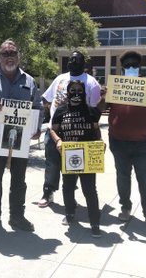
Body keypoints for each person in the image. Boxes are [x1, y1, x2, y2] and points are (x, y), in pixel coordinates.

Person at [0, 39, 44, 233]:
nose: (9, 57)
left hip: (20, 139)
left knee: (19, 181)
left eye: (13, 53)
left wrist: (36, 126)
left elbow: (37, 106)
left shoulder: (29, 80)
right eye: (5, 54)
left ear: (19, 56)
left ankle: (17, 217)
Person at [107, 50, 146, 232]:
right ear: (122, 67)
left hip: (143, 143)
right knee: (122, 177)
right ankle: (125, 207)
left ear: (139, 66)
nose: (131, 68)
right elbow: (100, 107)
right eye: (127, 65)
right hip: (118, 141)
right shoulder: (115, 85)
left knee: (145, 180)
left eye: (134, 65)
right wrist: (104, 95)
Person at [38, 50, 106, 207]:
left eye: (76, 60)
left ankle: (70, 199)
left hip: (78, 132)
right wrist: (52, 111)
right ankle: (48, 192)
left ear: (83, 63)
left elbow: (96, 110)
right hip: (55, 130)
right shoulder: (60, 78)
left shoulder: (91, 82)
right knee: (52, 163)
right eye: (70, 59)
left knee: (74, 167)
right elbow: (47, 98)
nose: (72, 62)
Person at [49, 80, 103, 238]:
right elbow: (53, 130)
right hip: (69, 154)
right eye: (73, 90)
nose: (76, 93)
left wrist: (100, 142)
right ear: (68, 92)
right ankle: (69, 213)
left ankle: (95, 222)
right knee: (68, 186)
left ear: (84, 93)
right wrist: (58, 140)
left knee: (90, 190)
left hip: (87, 154)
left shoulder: (92, 112)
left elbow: (96, 131)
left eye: (80, 90)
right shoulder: (60, 111)